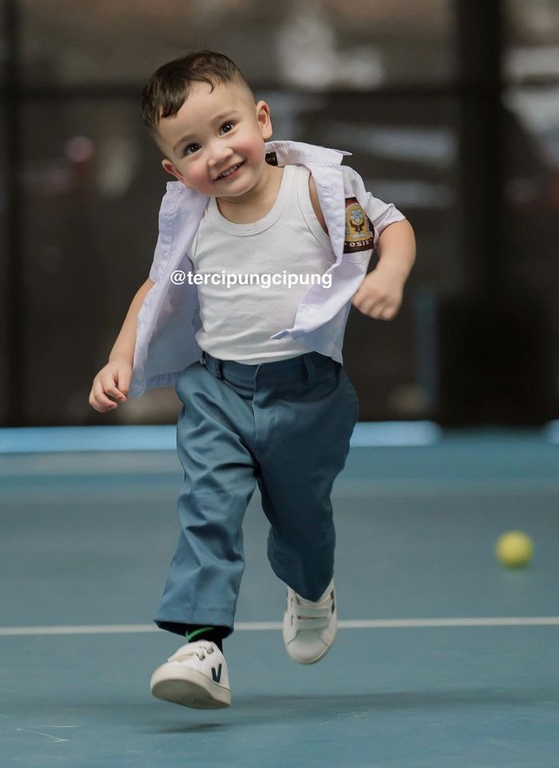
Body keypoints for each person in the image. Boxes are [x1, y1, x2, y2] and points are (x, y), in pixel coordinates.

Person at [89, 50, 416, 710]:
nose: (217, 152)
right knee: (207, 509)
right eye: (191, 146)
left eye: (226, 127)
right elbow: (157, 290)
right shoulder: (192, 217)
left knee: (300, 523)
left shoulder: (318, 191)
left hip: (309, 396)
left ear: (261, 119)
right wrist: (121, 356)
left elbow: (392, 226)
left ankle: (312, 586)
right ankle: (202, 646)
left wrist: (388, 275)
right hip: (217, 394)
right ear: (173, 169)